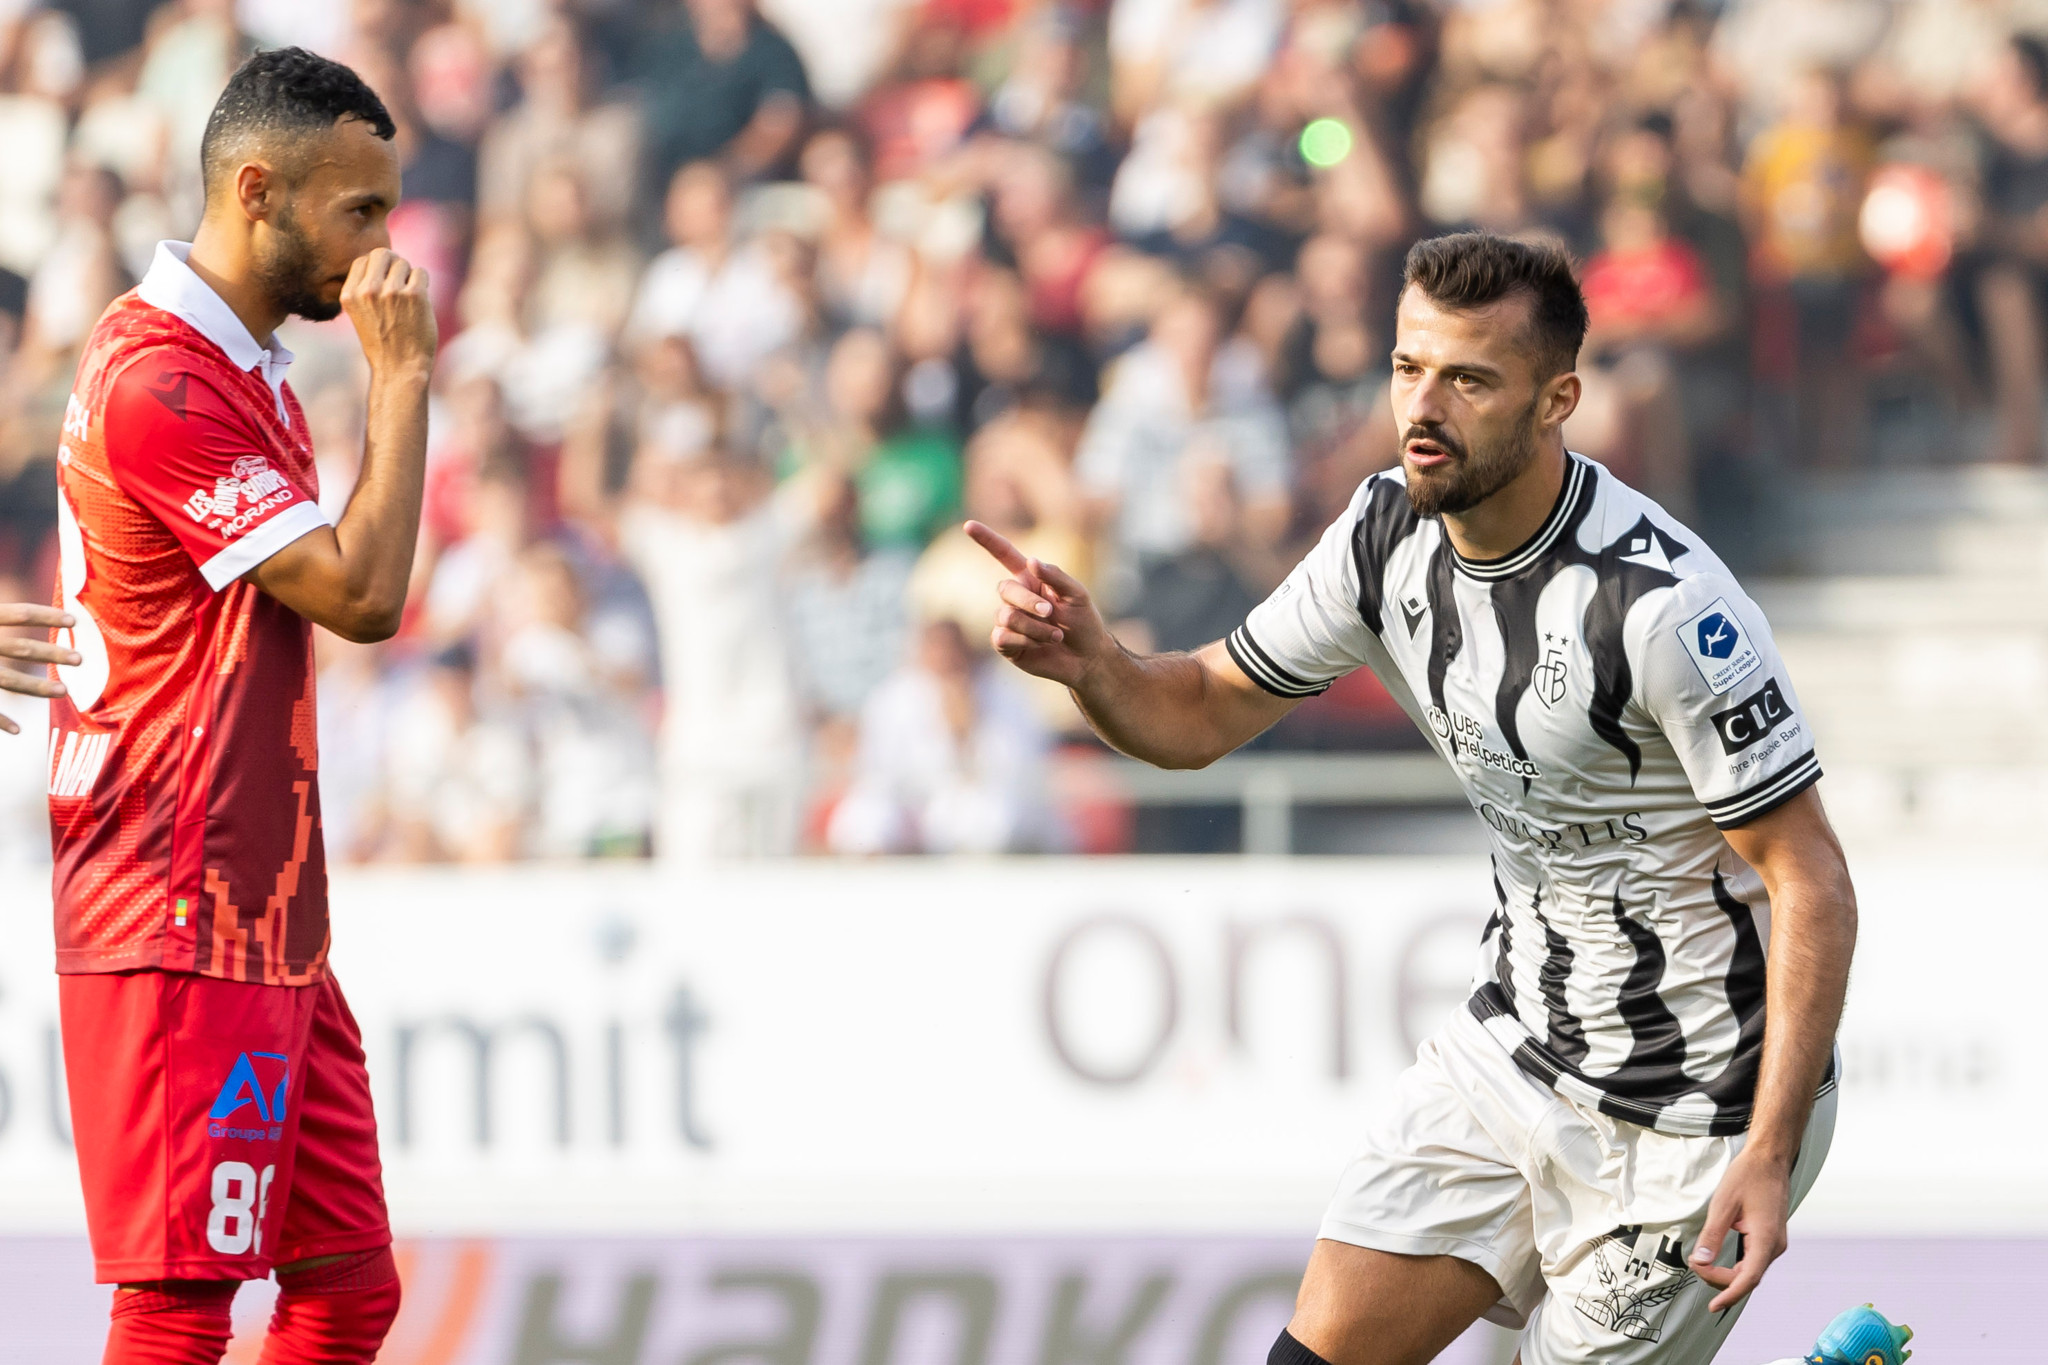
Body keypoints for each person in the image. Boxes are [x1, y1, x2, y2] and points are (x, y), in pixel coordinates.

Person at [970, 232, 1857, 1365]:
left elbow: (1810, 875)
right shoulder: (1382, 531)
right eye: (1405, 369)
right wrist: (1094, 664)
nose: (1421, 408)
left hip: (1690, 1107)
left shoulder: (1661, 606)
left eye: (1467, 379)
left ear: (1556, 401)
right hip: (1513, 1047)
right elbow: (1197, 710)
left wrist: (1770, 1149)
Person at [37, 48, 435, 1365]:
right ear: (258, 189)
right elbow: (364, 597)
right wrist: (400, 382)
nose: (385, 247)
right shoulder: (165, 380)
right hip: (169, 895)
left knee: (347, 1287)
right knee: (178, 1308)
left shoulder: (240, 364)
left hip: (262, 911)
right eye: (359, 212)